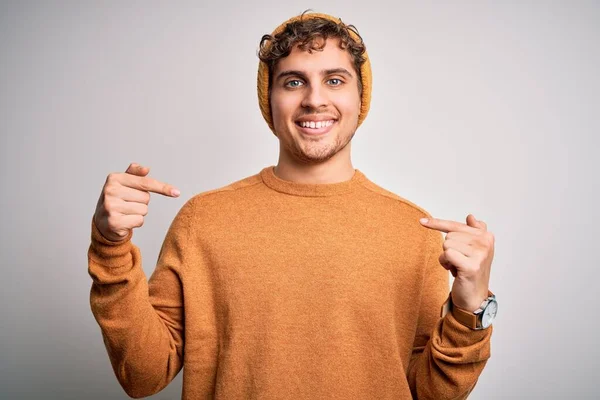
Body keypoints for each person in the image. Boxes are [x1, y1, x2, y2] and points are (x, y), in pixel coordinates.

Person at [88, 10, 497, 399]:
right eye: (294, 82)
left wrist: (470, 310)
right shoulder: (203, 220)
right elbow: (142, 375)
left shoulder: (414, 230)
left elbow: (430, 392)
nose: (314, 99)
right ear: (270, 99)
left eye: (335, 80)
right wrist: (111, 249)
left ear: (361, 97)